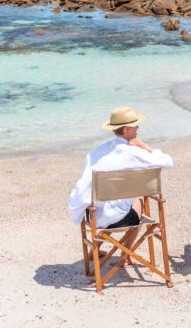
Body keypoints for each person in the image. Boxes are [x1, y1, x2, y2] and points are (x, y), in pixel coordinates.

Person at [68, 106, 173, 265]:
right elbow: (167, 162)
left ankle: (93, 251)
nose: (138, 127)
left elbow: (83, 187)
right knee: (138, 199)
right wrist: (144, 146)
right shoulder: (134, 152)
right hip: (120, 219)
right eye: (136, 125)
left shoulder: (96, 152)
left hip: (93, 216)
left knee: (104, 201)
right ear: (127, 129)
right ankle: (127, 254)